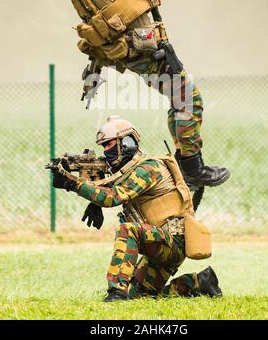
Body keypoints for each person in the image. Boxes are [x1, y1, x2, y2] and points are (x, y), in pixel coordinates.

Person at [71, 0, 230, 190]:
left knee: (178, 100)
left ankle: (186, 162)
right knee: (190, 99)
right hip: (144, 51)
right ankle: (192, 168)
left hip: (132, 53)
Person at [52, 116, 222, 302]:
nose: (106, 151)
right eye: (104, 146)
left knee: (127, 230)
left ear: (126, 143)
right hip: (160, 241)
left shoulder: (148, 168)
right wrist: (94, 202)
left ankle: (116, 293)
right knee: (140, 297)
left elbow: (114, 197)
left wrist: (73, 184)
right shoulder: (131, 171)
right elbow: (112, 192)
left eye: (109, 144)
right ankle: (201, 282)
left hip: (171, 242)